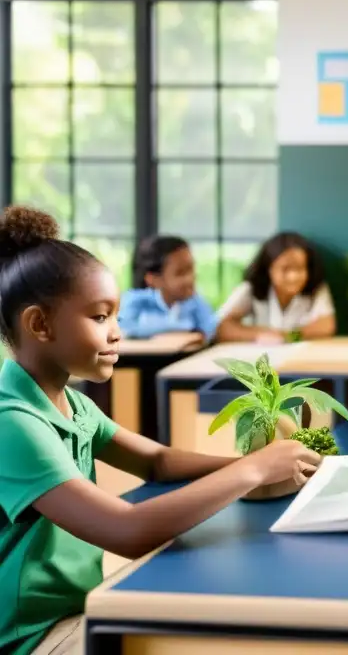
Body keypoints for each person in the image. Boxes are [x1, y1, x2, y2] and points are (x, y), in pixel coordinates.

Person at [0, 207, 322, 655]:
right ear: (40, 324)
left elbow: (156, 461)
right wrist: (251, 471)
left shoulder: (72, 404)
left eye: (115, 316)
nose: (118, 333)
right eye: (99, 318)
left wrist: (262, 466)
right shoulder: (12, 424)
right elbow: (125, 530)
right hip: (32, 640)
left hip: (79, 611)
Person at [216, 232, 335, 344]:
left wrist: (288, 336)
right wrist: (260, 335)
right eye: (285, 269)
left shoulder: (316, 288)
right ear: (269, 268)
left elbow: (326, 326)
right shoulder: (252, 287)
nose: (293, 277)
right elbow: (222, 327)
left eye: (300, 269)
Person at [118, 236, 218, 343]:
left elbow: (211, 330)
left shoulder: (194, 301)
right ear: (154, 279)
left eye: (191, 269)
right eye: (180, 273)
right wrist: (186, 330)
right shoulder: (135, 300)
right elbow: (124, 330)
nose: (190, 278)